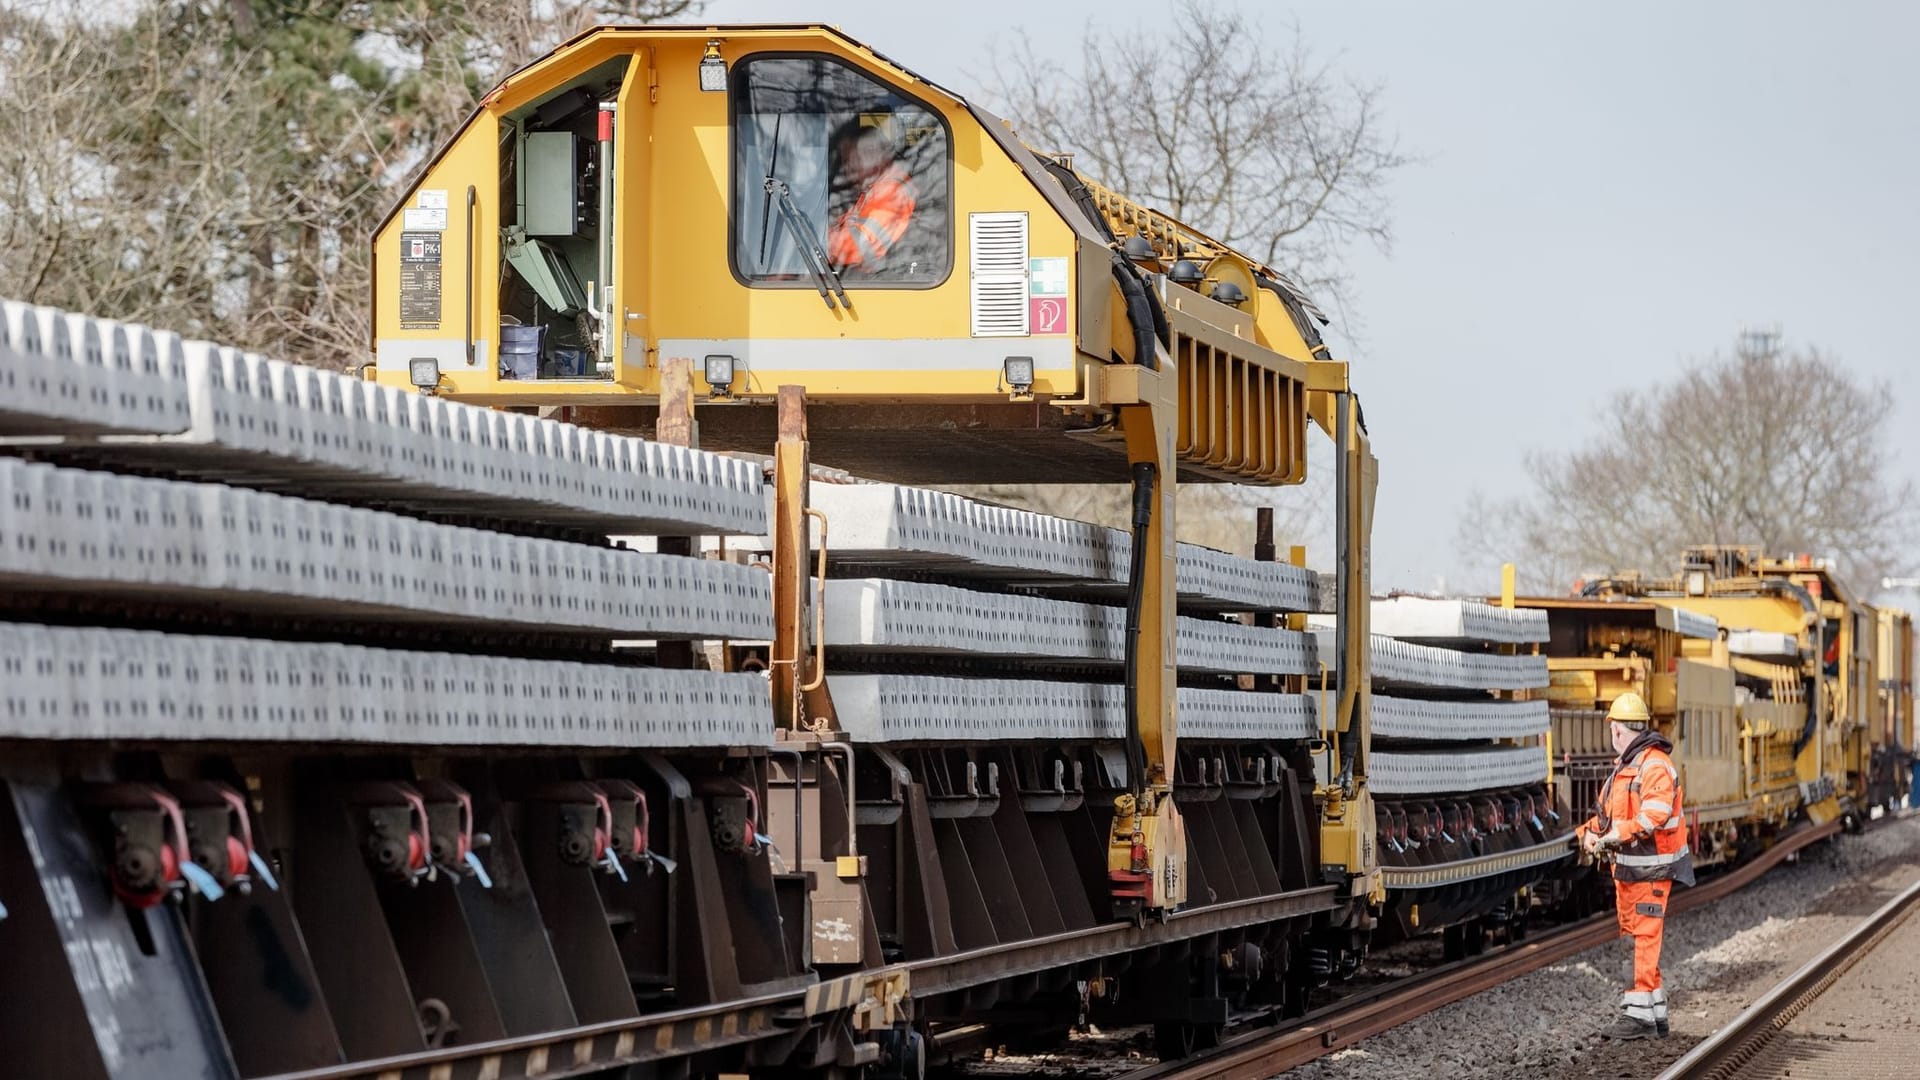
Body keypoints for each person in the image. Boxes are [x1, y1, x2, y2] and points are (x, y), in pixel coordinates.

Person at [1579, 691, 1694, 1040]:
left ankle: (1639, 1016)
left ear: (1617, 729)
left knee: (1644, 937)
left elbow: (1653, 816)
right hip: (1633, 870)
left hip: (1651, 870)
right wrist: (1587, 833)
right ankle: (1655, 1011)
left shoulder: (1654, 764)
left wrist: (1616, 835)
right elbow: (1606, 815)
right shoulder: (1627, 766)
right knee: (1640, 935)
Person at [826, 124, 916, 273]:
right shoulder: (874, 188)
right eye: (846, 159)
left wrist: (821, 242)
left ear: (875, 153)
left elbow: (858, 245)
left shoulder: (892, 190)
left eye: (853, 157)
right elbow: (853, 223)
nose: (848, 166)